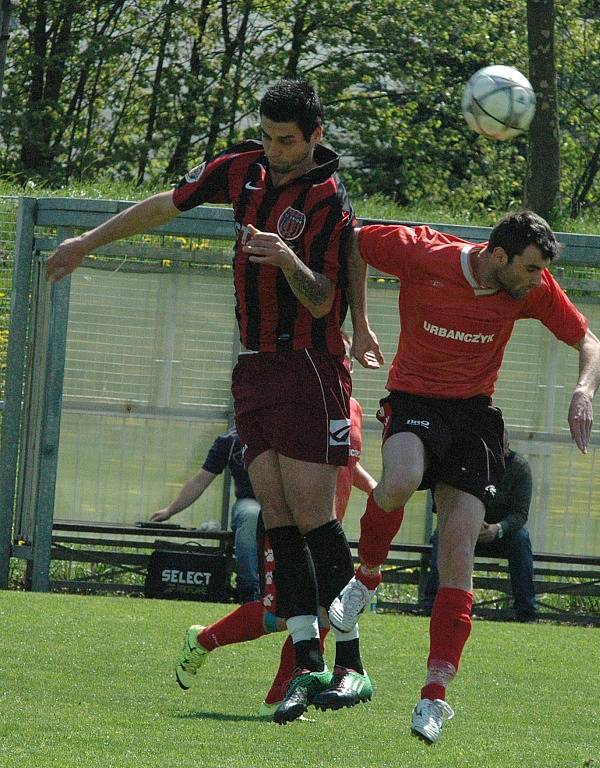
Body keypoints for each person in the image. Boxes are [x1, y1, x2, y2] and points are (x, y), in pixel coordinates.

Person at [46, 79, 378, 725]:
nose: (275, 151)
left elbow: (320, 298)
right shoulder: (243, 170)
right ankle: (308, 663)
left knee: (314, 516)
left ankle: (352, 665)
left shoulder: (327, 199)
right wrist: (87, 243)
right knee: (276, 511)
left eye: (287, 141)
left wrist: (285, 257)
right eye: (268, 136)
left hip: (309, 365)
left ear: (316, 136)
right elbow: (164, 204)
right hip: (253, 369)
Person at [329, 210, 600, 744]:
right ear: (497, 256)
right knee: (402, 477)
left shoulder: (531, 288)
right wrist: (359, 323)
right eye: (528, 269)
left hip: (475, 416)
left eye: (539, 271)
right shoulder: (422, 252)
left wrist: (583, 391)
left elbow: (591, 344)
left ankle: (434, 697)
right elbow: (355, 242)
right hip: (414, 400)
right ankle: (365, 578)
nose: (535, 280)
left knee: (459, 546)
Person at [173, 396, 377, 717]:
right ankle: (203, 639)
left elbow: (348, 463)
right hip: (288, 527)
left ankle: (278, 698)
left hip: (326, 529)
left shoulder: (352, 406)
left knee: (324, 613)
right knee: (282, 616)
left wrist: (381, 492)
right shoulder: (299, 395)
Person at [422, 433, 536, 622]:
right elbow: (443, 500)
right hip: (465, 527)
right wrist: (468, 522)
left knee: (521, 539)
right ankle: (430, 603)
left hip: (500, 534)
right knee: (441, 536)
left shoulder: (519, 468)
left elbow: (520, 514)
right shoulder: (466, 462)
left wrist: (498, 528)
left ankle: (526, 611)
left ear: (507, 443)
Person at [149, 425, 261, 604]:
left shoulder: (285, 431)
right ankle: (249, 593)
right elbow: (200, 481)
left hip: (288, 502)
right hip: (251, 503)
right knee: (251, 515)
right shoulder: (231, 440)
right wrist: (170, 510)